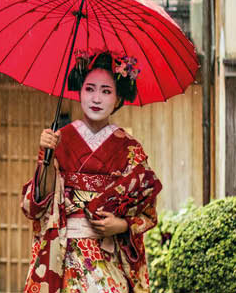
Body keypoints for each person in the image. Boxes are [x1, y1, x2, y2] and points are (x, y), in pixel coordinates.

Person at [20, 50, 162, 293]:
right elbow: (36, 206)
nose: (96, 98)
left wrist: (122, 225)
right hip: (66, 257)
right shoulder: (59, 139)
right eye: (90, 89)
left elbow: (148, 211)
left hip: (109, 257)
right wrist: (46, 157)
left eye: (106, 91)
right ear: (79, 92)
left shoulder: (129, 148)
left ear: (118, 99)